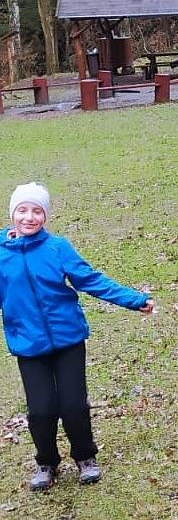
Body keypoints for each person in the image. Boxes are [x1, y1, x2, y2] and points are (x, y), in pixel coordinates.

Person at [0, 183, 154, 492]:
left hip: (68, 340)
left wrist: (134, 299)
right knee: (41, 410)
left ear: (45, 215)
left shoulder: (57, 248)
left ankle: (85, 457)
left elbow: (91, 280)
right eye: (23, 210)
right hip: (29, 346)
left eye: (37, 211)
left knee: (73, 406)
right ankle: (46, 462)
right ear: (12, 213)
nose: (29, 217)